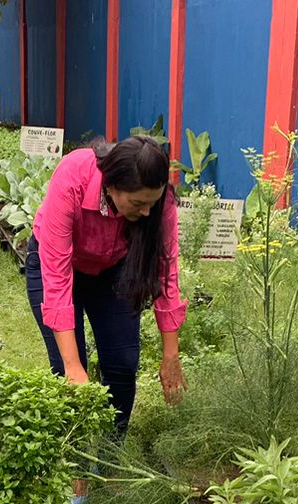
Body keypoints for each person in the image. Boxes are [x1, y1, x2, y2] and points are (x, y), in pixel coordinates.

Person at [26, 135, 187, 439]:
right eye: (138, 203)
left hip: (113, 269)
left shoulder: (158, 201)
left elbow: (167, 273)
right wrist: (73, 368)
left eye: (151, 204)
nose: (146, 214)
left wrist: (170, 355)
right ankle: (74, 461)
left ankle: (111, 456)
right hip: (57, 266)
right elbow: (58, 280)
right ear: (112, 186)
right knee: (69, 371)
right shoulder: (73, 177)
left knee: (123, 366)